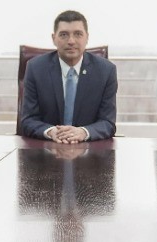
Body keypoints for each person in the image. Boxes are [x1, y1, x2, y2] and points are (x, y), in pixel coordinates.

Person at [19, 10, 117, 143]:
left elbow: (108, 122)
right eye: (64, 35)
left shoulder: (106, 71)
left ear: (87, 37)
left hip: (90, 149)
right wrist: (51, 131)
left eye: (78, 34)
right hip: (46, 148)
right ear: (54, 38)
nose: (71, 41)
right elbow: (28, 120)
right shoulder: (35, 68)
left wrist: (83, 132)